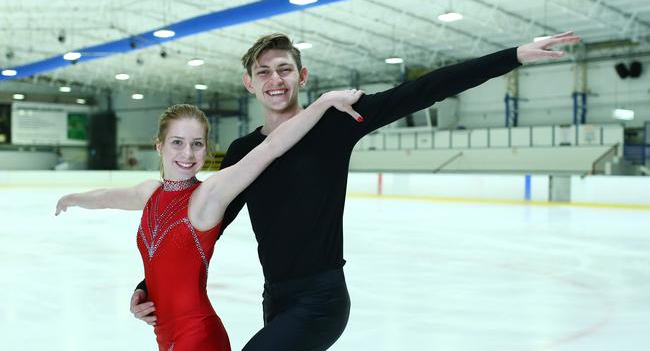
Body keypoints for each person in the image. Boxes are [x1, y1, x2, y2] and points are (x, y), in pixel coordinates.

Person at [131, 32, 582, 350]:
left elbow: (426, 89)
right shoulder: (245, 151)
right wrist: (149, 287)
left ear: (302, 76)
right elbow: (203, 229)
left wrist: (515, 55)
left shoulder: (337, 121)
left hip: (322, 298)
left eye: (284, 69)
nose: (275, 79)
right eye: (263, 71)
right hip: (277, 298)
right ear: (250, 82)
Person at [56, 92, 364, 351]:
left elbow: (271, 148)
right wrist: (74, 199)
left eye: (197, 144)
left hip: (199, 337)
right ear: (159, 146)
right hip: (166, 336)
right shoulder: (149, 193)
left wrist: (321, 104)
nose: (187, 153)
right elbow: (107, 196)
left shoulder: (208, 196)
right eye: (177, 143)